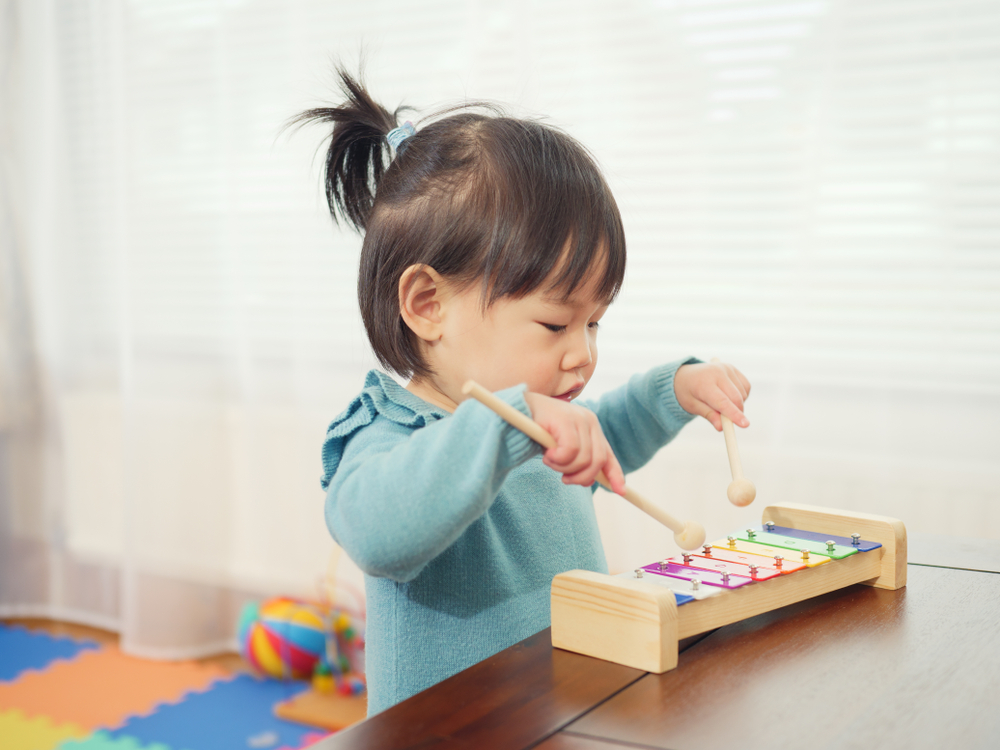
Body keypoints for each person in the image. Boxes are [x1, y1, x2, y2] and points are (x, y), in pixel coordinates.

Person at [294, 69, 751, 715]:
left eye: (594, 323)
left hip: (557, 709)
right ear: (428, 306)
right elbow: (374, 533)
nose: (584, 352)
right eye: (555, 323)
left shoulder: (540, 423)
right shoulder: (393, 433)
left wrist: (675, 389)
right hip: (446, 733)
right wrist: (507, 423)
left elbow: (604, 439)